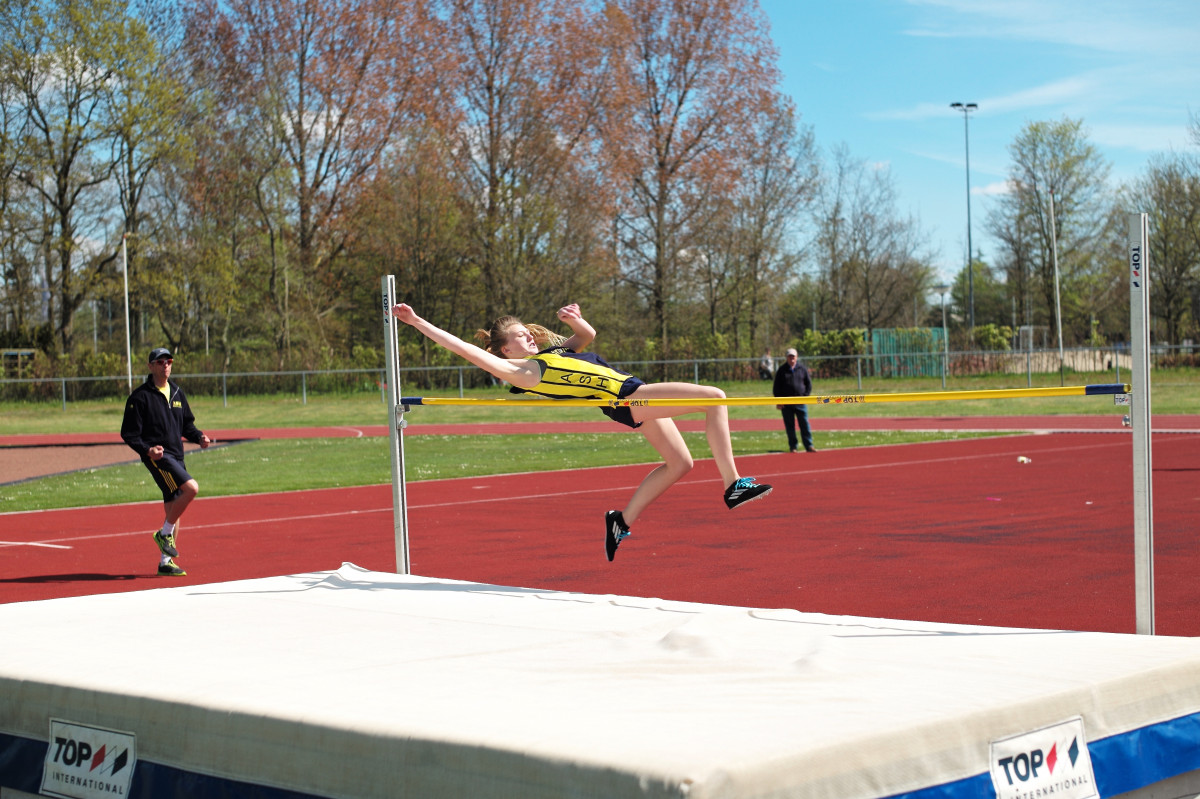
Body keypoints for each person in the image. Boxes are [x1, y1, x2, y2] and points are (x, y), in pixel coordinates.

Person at [390, 302, 773, 562]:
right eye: (520, 338)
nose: (529, 338)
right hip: (628, 397)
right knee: (715, 397)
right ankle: (733, 483)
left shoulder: (552, 355)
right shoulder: (524, 372)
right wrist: (418, 322)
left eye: (528, 333)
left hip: (629, 393)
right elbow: (466, 351)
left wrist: (574, 319)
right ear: (505, 352)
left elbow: (586, 336)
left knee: (680, 463)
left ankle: (621, 521)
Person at [121, 347, 213, 576]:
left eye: (168, 361)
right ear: (150, 366)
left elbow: (187, 425)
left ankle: (165, 562)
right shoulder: (139, 397)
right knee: (191, 488)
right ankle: (164, 534)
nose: (165, 365)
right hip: (159, 458)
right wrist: (148, 450)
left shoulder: (177, 393)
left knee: (174, 504)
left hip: (177, 455)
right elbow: (129, 434)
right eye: (160, 362)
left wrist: (198, 436)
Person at [773, 347, 816, 453]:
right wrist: (779, 401)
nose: (791, 358)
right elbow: (776, 387)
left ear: (796, 357)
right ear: (787, 358)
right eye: (789, 356)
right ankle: (793, 446)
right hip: (787, 403)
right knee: (790, 426)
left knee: (804, 424)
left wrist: (805, 396)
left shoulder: (802, 369)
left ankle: (809, 445)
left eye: (793, 356)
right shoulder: (782, 370)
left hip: (800, 402)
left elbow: (808, 384)